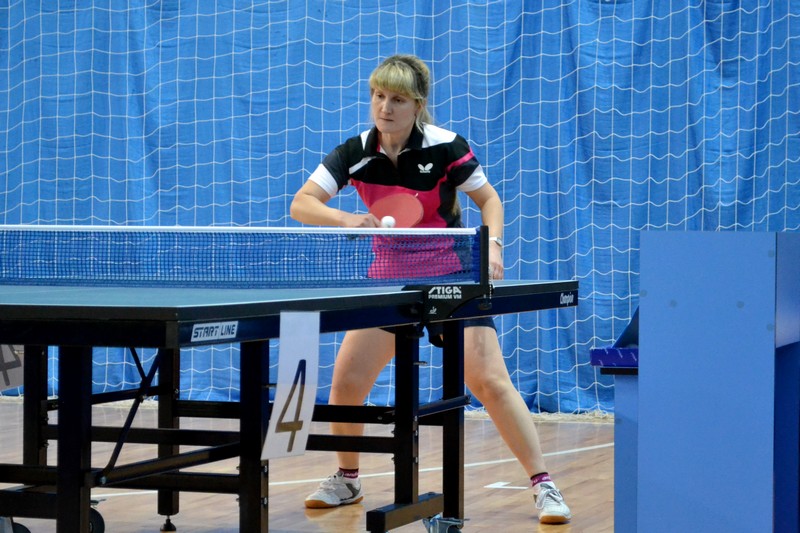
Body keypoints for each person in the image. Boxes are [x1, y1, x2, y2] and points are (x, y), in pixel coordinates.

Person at [290, 54, 572, 525]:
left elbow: (488, 199)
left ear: (417, 105)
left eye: (397, 99)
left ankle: (543, 483)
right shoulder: (355, 151)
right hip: (389, 278)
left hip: (451, 275)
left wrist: (492, 246)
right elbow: (302, 203)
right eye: (378, 96)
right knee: (347, 382)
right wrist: (344, 218)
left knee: (489, 381)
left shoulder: (445, 146)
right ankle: (348, 477)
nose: (385, 107)